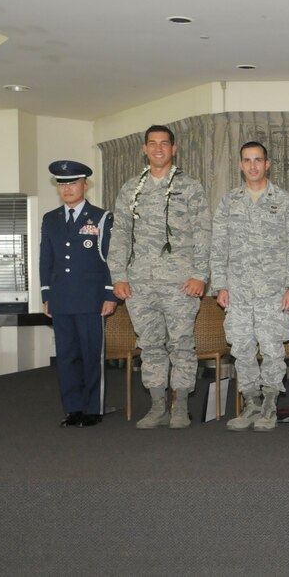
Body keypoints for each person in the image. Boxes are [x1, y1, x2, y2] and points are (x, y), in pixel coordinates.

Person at [108, 125, 211, 429]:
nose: (158, 149)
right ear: (144, 149)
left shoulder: (190, 186)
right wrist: (119, 275)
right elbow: (120, 234)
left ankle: (180, 406)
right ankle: (157, 406)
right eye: (152, 144)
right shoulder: (130, 188)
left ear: (174, 149)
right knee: (150, 344)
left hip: (181, 282)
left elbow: (204, 232)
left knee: (181, 344)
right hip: (140, 283)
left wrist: (200, 274)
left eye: (164, 144)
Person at [211, 142, 289, 432]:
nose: (253, 166)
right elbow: (218, 245)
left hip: (272, 292)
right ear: (240, 165)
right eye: (247, 160)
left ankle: (269, 406)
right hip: (238, 292)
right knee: (241, 350)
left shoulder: (285, 201)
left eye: (258, 160)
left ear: (268, 164)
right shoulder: (229, 202)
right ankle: (251, 403)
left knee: (274, 351)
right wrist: (220, 285)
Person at [39, 161, 117, 428]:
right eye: (62, 184)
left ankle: (93, 408)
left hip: (91, 298)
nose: (67, 189)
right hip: (61, 299)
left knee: (91, 354)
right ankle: (73, 409)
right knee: (66, 356)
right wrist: (46, 294)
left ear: (85, 185)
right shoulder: (51, 219)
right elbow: (45, 259)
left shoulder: (102, 217)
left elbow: (111, 259)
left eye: (72, 183)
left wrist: (110, 294)